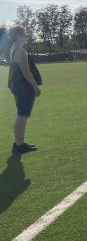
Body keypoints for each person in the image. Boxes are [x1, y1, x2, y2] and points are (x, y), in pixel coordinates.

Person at [7, 25, 42, 153]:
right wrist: (35, 86)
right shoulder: (20, 51)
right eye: (24, 35)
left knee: (21, 114)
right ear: (18, 37)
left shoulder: (14, 49)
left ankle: (18, 142)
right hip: (24, 87)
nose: (26, 37)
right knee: (22, 115)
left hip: (18, 86)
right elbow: (26, 71)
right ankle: (19, 145)